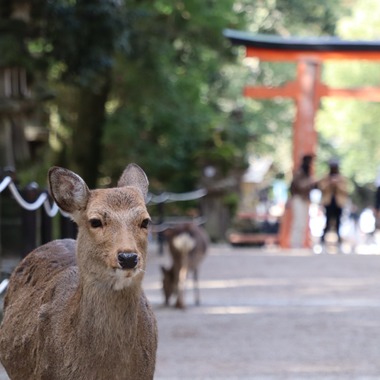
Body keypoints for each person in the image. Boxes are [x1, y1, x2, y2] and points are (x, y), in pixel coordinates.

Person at [288, 154, 316, 248]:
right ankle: (294, 243)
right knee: (298, 222)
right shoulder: (300, 173)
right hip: (298, 199)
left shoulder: (306, 174)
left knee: (303, 222)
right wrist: (309, 182)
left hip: (304, 200)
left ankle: (298, 243)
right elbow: (298, 186)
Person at [318, 159, 348, 244]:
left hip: (338, 203)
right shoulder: (326, 177)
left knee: (338, 220)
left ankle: (338, 239)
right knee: (327, 220)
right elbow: (321, 187)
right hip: (328, 202)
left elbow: (345, 190)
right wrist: (329, 183)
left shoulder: (341, 178)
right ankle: (323, 239)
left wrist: (337, 184)